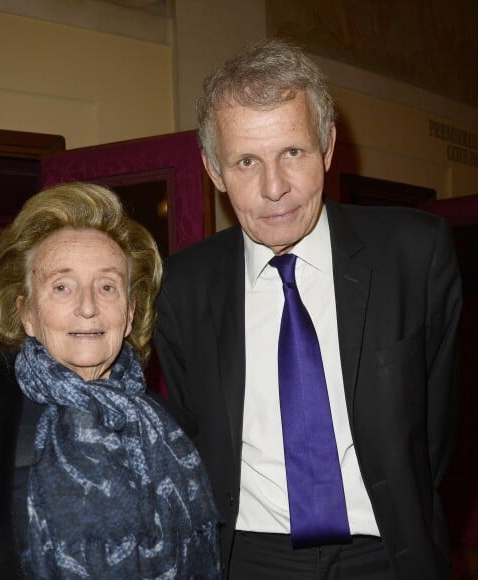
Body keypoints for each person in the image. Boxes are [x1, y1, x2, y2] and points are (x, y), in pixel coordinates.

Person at [154, 38, 462, 580]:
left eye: (292, 153)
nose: (274, 188)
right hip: (245, 559)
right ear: (213, 170)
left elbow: (437, 425)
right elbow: (195, 437)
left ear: (327, 146)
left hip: (391, 554)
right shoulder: (182, 286)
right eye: (246, 161)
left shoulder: (415, 253)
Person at [0, 182, 220, 579]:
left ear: (131, 313)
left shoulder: (170, 431)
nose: (88, 307)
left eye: (106, 286)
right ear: (27, 313)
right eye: (62, 287)